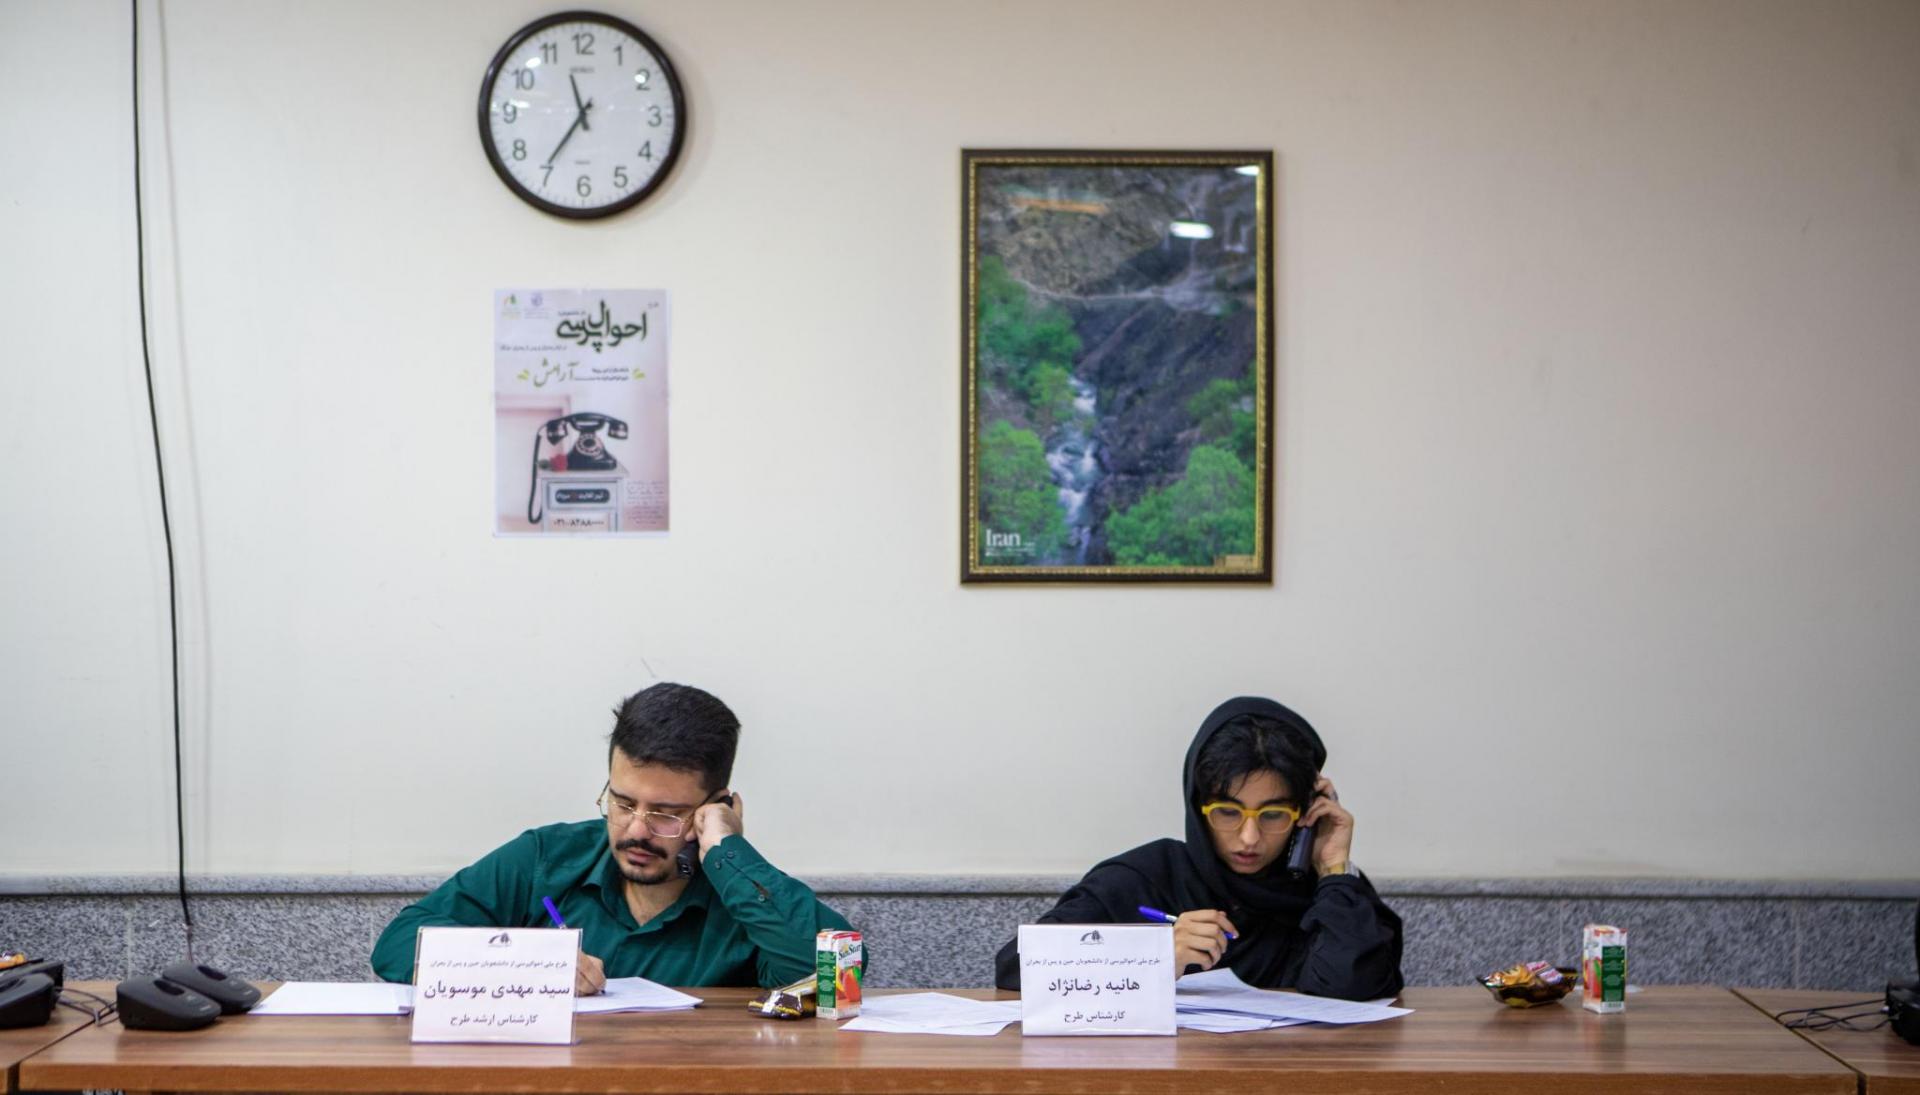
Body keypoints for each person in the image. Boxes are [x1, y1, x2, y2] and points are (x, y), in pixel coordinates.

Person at [372, 682, 853, 991]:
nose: (636, 830)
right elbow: (397, 943)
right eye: (622, 803)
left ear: (716, 807)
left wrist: (728, 852)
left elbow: (837, 975)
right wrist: (523, 964)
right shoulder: (548, 857)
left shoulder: (744, 892)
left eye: (666, 814)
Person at [994, 696, 1403, 999]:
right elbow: (1017, 967)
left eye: (1273, 814)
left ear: (1304, 814)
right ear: (1197, 807)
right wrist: (1156, 958)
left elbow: (1356, 985)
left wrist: (1333, 868)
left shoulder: (1329, 893)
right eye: (1227, 812)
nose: (1249, 837)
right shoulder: (1146, 879)